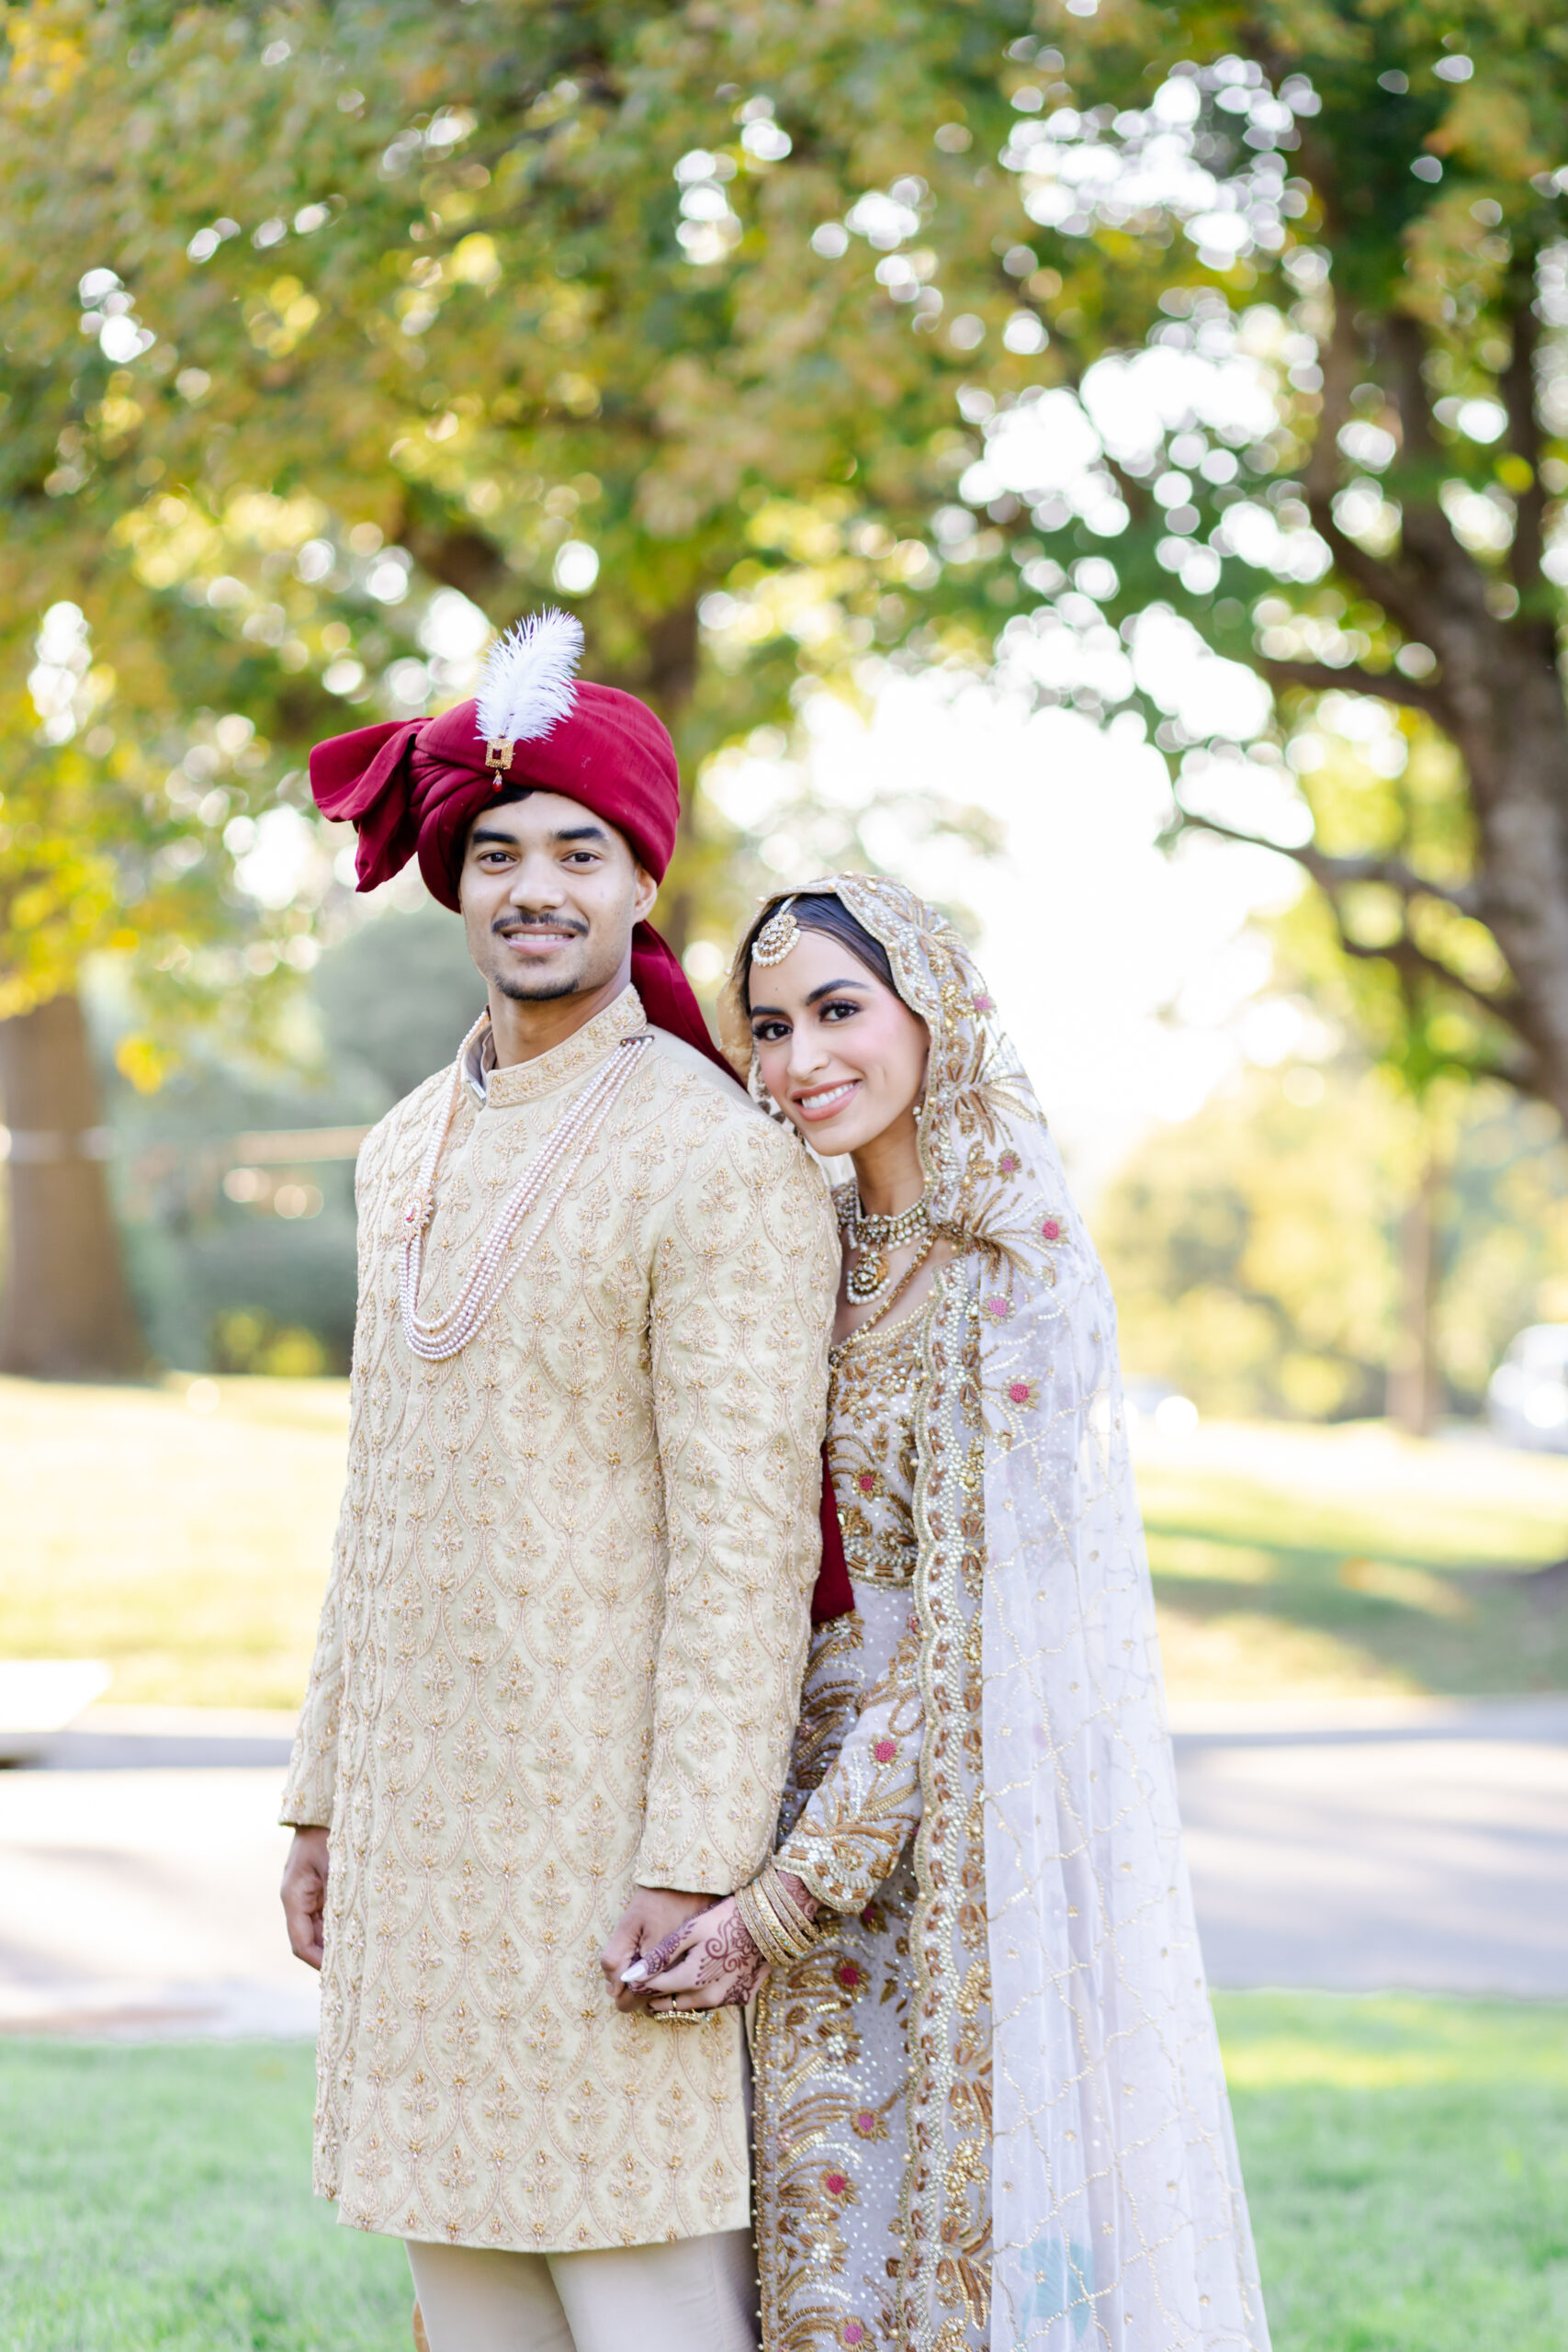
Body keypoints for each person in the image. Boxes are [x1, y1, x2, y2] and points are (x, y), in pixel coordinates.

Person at [277, 612, 844, 2352]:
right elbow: (373, 1507)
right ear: (453, 880)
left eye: (577, 853)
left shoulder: (717, 1159)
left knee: (642, 2289)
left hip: (603, 1835)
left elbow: (748, 1550)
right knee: (464, 2290)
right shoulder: (399, 1150)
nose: (536, 886)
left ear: (635, 883)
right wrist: (317, 1800)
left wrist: (695, 1858)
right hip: (415, 1831)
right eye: (499, 851)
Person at [637, 876, 1272, 2352]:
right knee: (797, 2257)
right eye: (773, 1026)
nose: (799, 1063)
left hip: (948, 1845)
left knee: (928, 2249)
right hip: (756, 1802)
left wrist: (789, 1897)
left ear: (939, 1015)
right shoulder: (796, 1250)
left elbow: (971, 1649)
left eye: (840, 1013)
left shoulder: (1012, 1278)